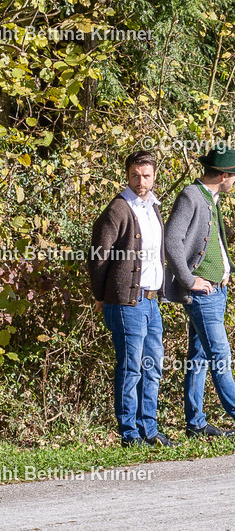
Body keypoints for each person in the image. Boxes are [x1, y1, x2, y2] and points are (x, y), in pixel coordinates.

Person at [88, 150, 171, 447]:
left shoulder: (152, 207)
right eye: (135, 175)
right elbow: (98, 257)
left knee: (152, 365)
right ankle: (129, 433)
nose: (140, 181)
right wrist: (100, 295)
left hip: (151, 300)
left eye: (146, 175)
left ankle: (149, 429)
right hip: (126, 302)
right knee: (131, 367)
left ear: (154, 176)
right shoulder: (119, 209)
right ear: (127, 175)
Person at [164, 144, 235, 438]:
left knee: (199, 358)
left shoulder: (211, 198)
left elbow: (211, 242)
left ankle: (195, 423)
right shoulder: (192, 196)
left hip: (216, 292)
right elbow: (171, 240)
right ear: (223, 175)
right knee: (220, 355)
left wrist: (226, 269)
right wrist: (188, 279)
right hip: (202, 295)